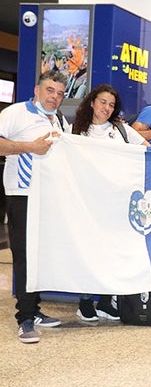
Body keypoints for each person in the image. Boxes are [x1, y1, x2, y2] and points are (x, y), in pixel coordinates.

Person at [71, 84, 149, 322]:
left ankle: (106, 301)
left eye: (112, 105)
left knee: (112, 251)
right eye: (103, 102)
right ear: (92, 102)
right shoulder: (76, 131)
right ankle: (85, 301)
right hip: (88, 204)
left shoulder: (121, 130)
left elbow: (147, 149)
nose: (107, 108)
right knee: (88, 252)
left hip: (117, 202)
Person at [0, 70, 68, 343]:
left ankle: (34, 308)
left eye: (60, 93)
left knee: (41, 255)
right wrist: (30, 147)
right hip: (22, 195)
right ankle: (25, 318)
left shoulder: (58, 119)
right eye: (50, 90)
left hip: (49, 199)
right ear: (37, 89)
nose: (55, 97)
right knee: (25, 256)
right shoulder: (16, 112)